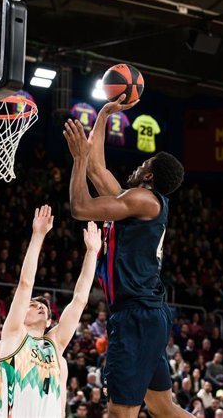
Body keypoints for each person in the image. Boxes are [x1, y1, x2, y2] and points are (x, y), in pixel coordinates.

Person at [63, 95, 186, 418]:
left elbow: (80, 208)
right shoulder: (135, 200)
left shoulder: (142, 199)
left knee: (121, 411)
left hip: (137, 315)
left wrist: (77, 159)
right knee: (162, 406)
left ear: (149, 177)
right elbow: (97, 167)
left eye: (144, 164)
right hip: (146, 314)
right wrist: (103, 115)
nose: (138, 165)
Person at [0, 206, 100, 417]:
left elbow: (80, 300)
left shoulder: (57, 353)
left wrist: (91, 252)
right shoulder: (8, 340)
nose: (40, 306)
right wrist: (38, 235)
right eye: (33, 305)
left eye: (44, 307)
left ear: (49, 322)